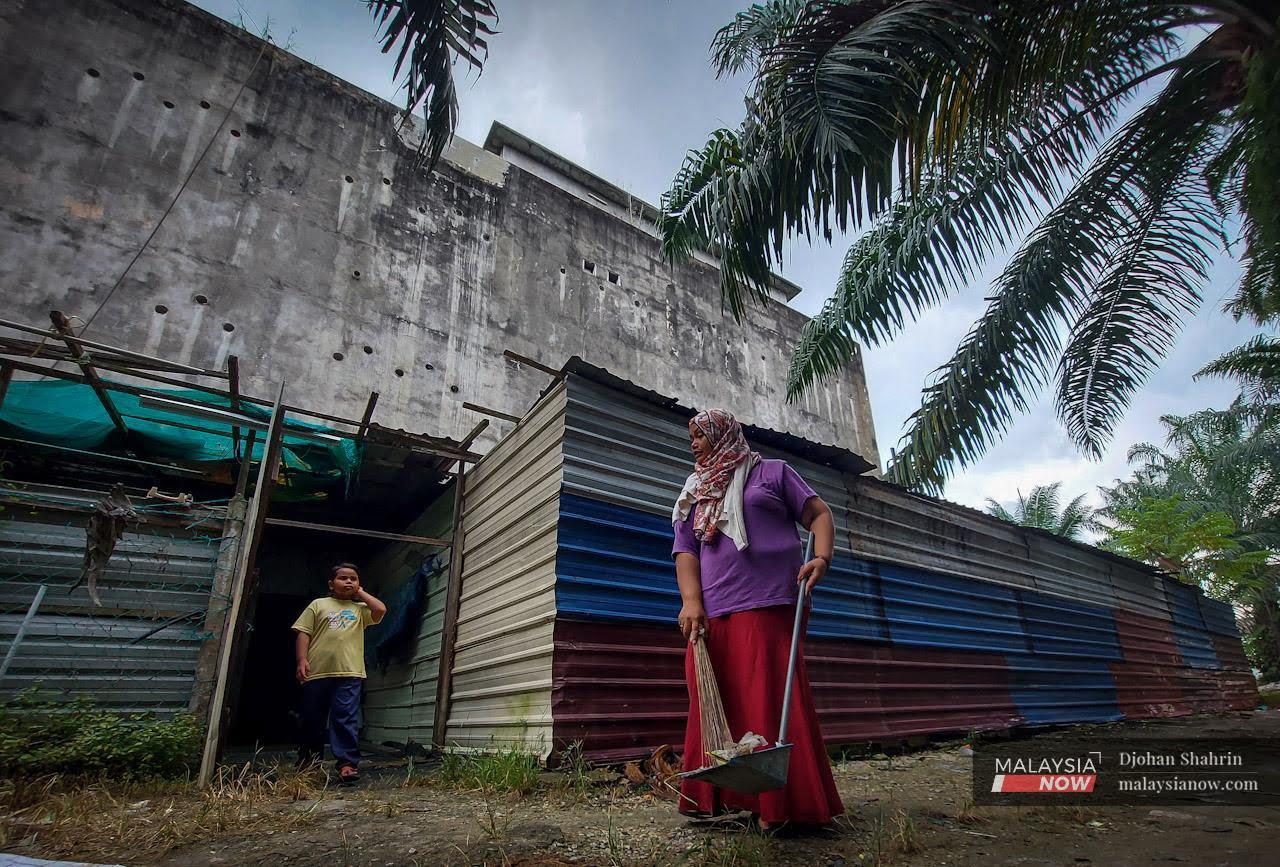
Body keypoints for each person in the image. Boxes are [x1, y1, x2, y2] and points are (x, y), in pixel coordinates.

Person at [671, 409, 844, 831]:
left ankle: (782, 808)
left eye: (700, 435)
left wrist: (821, 556)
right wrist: (691, 601)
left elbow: (819, 515)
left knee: (768, 698)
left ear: (723, 434)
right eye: (691, 436)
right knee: (712, 699)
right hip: (713, 612)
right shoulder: (695, 491)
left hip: (768, 604)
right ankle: (717, 800)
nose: (693, 442)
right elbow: (686, 551)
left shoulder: (771, 473)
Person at [291, 562, 387, 783]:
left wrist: (360, 593)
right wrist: (302, 659)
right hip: (317, 672)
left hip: (349, 673)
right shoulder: (319, 604)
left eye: (353, 578)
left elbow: (380, 609)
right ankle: (309, 761)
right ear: (331, 584)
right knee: (312, 719)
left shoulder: (360, 610)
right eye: (343, 578)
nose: (348, 582)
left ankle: (347, 764)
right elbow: (304, 633)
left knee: (345, 718)